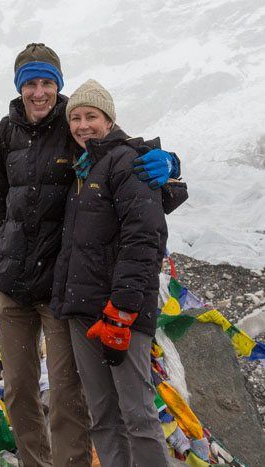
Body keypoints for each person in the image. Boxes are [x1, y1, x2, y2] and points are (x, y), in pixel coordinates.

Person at [0, 43, 180, 467]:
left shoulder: (75, 123)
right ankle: (35, 461)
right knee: (17, 388)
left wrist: (170, 162)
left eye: (47, 82)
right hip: (13, 285)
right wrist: (8, 251)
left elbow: (120, 151)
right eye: (30, 83)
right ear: (19, 88)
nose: (39, 92)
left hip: (60, 288)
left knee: (69, 395)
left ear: (58, 86)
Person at [51, 79, 177, 466]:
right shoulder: (83, 168)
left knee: (137, 414)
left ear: (109, 119)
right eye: (75, 117)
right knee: (103, 415)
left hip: (121, 312)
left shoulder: (127, 161)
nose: (82, 125)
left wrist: (121, 310)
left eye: (91, 116)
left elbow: (144, 240)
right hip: (84, 310)